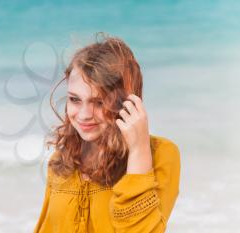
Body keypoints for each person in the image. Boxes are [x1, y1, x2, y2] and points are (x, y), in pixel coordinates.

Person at [33, 33, 181, 233]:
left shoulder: (162, 155)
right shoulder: (61, 161)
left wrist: (138, 151)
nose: (84, 115)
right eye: (75, 99)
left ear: (127, 102)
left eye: (99, 102)